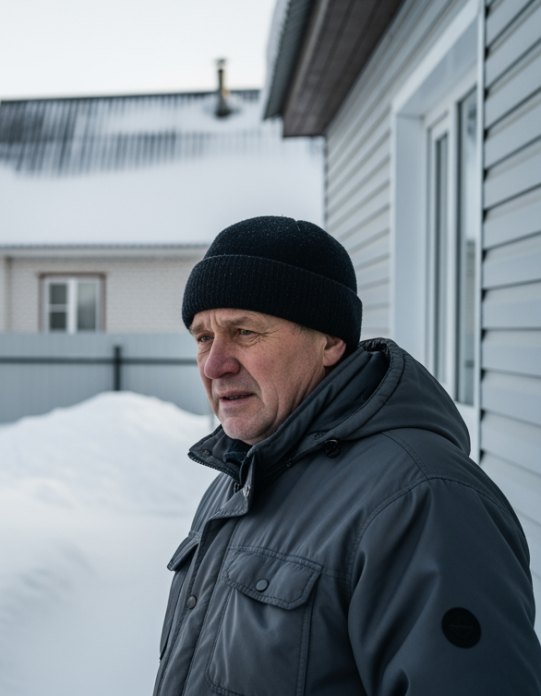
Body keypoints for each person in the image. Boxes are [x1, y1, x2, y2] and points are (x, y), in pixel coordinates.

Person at [154, 216, 541, 695]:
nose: (215, 364)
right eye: (203, 337)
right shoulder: (239, 477)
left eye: (246, 332)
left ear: (331, 341)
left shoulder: (424, 500)